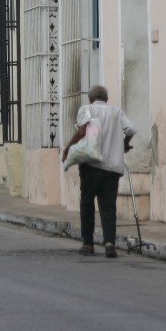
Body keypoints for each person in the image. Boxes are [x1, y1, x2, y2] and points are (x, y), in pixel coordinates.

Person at [62, 85, 136, 258]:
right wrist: (125, 143)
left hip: (92, 165)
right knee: (108, 205)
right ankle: (110, 243)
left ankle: (88, 244)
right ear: (106, 98)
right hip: (113, 167)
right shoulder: (116, 111)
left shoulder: (87, 109)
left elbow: (81, 131)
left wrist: (68, 148)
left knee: (87, 203)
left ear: (90, 98)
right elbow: (131, 129)